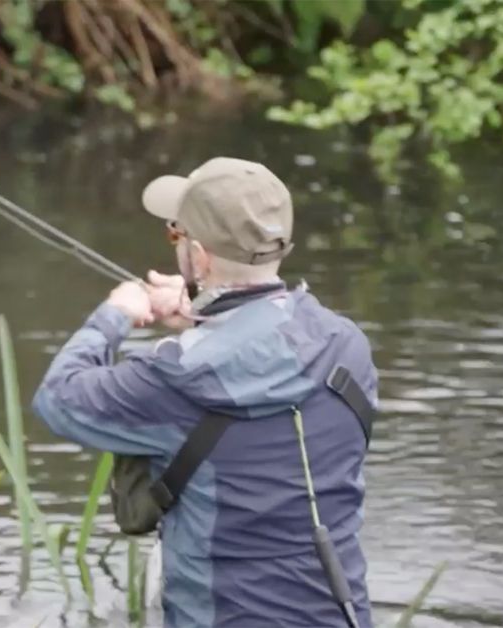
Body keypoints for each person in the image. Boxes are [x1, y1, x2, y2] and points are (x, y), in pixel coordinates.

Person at [31, 157, 377, 627]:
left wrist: (115, 315)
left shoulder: (172, 379)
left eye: (176, 234)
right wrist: (206, 316)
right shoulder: (348, 347)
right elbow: (266, 358)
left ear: (198, 255)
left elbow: (57, 398)